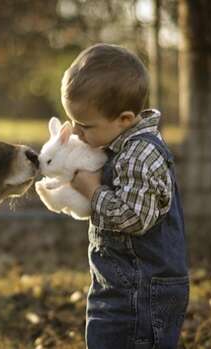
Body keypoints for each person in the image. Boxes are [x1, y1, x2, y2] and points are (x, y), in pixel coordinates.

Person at [63, 43, 189, 348]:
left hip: (143, 293)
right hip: (119, 286)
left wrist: (93, 193)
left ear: (124, 118)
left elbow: (134, 216)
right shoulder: (120, 145)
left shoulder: (140, 154)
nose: (77, 133)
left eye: (85, 125)